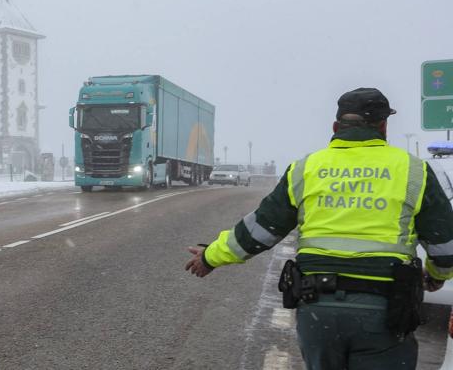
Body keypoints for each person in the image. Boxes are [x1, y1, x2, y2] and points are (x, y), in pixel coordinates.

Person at [185, 88, 453, 370]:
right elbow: (446, 247)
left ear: (336, 127)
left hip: (318, 310)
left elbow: (259, 230)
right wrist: (435, 275)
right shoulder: (413, 171)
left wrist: (209, 257)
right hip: (385, 311)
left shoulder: (306, 169)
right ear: (384, 126)